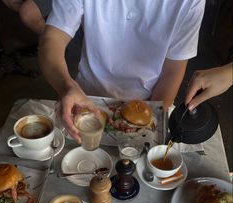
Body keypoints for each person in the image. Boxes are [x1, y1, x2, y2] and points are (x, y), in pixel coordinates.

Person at [38, 0, 206, 141]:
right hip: (84, 100)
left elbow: (173, 70)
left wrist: (151, 120)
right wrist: (66, 86)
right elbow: (53, 38)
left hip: (150, 103)